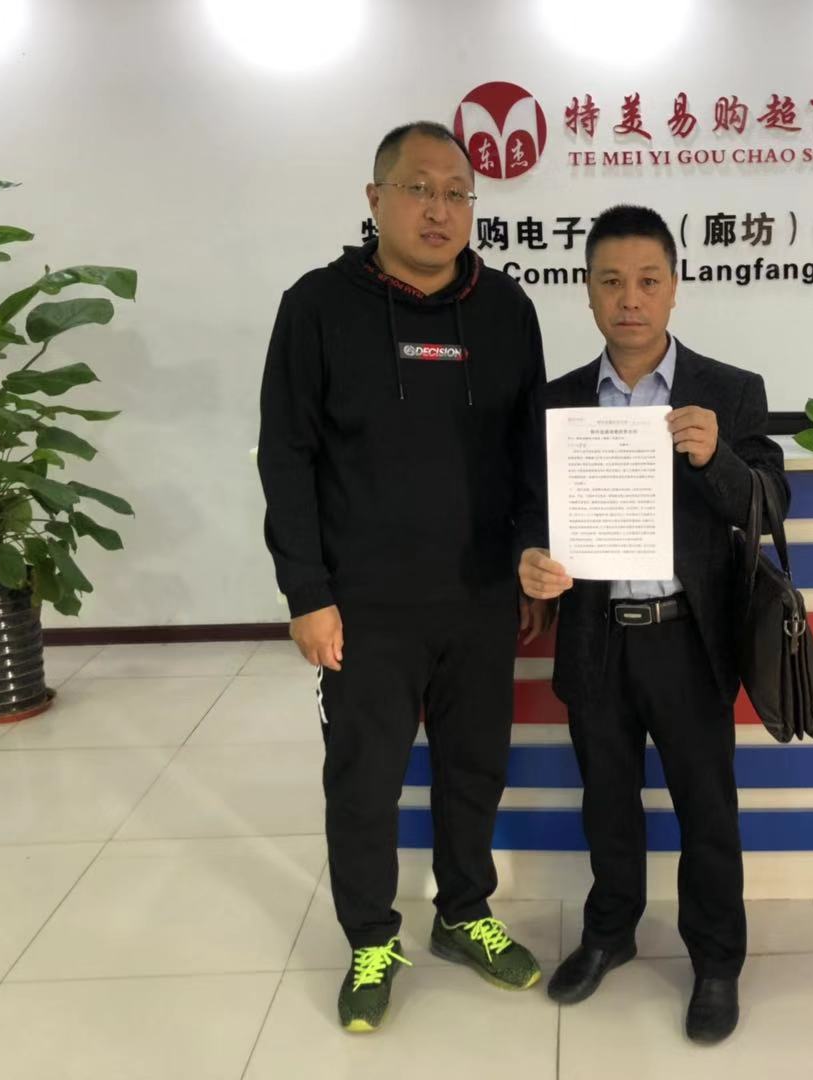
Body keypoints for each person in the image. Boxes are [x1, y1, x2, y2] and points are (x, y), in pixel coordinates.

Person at [257, 120, 551, 1033]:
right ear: (375, 198)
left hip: (480, 596)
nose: (439, 209)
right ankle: (371, 938)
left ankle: (463, 912)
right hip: (364, 605)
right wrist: (307, 592)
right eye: (419, 188)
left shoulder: (506, 310)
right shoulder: (317, 306)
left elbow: (531, 451)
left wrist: (527, 558)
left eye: (458, 193)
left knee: (474, 769)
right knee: (364, 780)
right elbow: (286, 455)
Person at [517, 204, 789, 1044]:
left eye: (646, 281)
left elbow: (771, 503)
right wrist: (530, 560)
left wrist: (719, 459)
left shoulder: (730, 391)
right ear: (587, 292)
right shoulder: (558, 402)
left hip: (689, 637)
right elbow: (529, 511)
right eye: (611, 282)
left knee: (707, 808)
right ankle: (610, 933)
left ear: (674, 288)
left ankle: (717, 962)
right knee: (607, 801)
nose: (628, 299)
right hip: (595, 634)